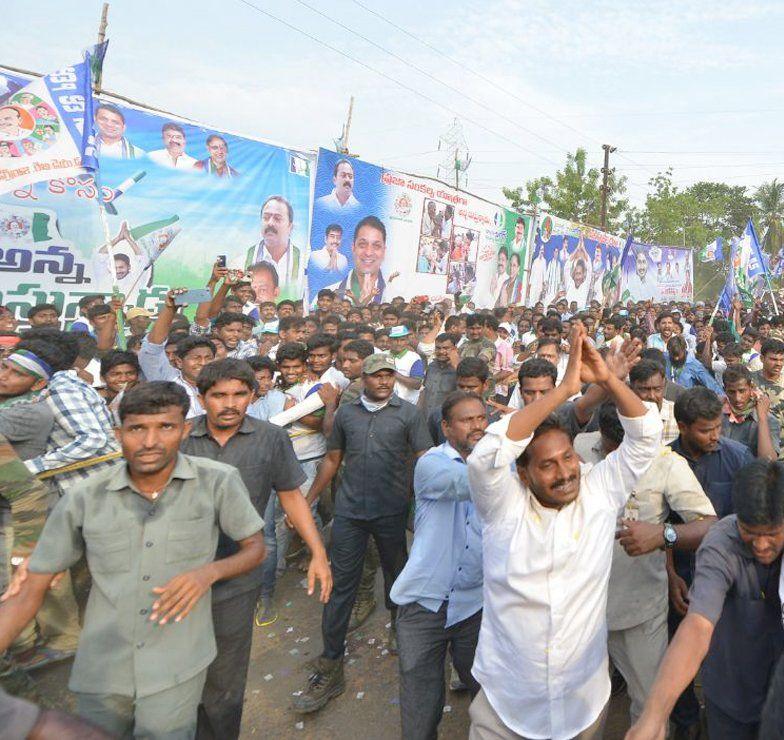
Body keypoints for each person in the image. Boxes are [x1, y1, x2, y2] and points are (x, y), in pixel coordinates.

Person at [0, 381, 266, 738]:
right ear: (117, 433)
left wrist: (210, 572)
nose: (151, 441)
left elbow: (255, 547)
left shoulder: (217, 482)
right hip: (102, 670)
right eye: (137, 428)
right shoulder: (84, 497)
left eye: (166, 427)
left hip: (177, 665)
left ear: (185, 430)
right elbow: (31, 587)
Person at [466, 323, 662, 739]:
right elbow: (485, 457)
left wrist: (609, 381)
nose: (565, 473)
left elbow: (646, 438)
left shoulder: (598, 490)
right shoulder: (503, 507)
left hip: (582, 703)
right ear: (522, 473)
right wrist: (563, 390)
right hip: (507, 704)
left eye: (568, 458)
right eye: (548, 465)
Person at [180, 360, 331, 739]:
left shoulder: (271, 437)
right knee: (178, 671)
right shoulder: (180, 437)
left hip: (238, 573)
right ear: (202, 398)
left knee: (225, 678)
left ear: (252, 395)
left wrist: (318, 554)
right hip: (178, 570)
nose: (229, 404)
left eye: (239, 394)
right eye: (219, 395)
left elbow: (290, 496)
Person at [293, 354, 433, 713]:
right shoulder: (347, 414)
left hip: (391, 510)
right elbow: (332, 459)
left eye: (389, 375)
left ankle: (397, 627)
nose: (385, 381)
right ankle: (331, 661)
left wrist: (427, 503)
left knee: (396, 574)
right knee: (341, 585)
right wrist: (308, 500)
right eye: (377, 376)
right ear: (365, 380)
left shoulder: (408, 414)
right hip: (351, 512)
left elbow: (425, 457)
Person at [573, 401, 716, 725]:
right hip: (576, 609)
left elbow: (711, 524)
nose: (614, 466)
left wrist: (663, 535)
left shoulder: (666, 463)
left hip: (636, 608)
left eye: (624, 457)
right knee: (576, 708)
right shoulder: (580, 447)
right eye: (609, 452)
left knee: (650, 704)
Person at [628, 460, 784, 740]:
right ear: (737, 518)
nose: (761, 545)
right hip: (732, 698)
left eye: (772, 534)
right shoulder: (720, 544)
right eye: (750, 532)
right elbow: (698, 626)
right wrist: (654, 715)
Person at [391, 391, 486, 739]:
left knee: (488, 694)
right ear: (446, 428)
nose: (476, 426)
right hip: (424, 603)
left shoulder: (499, 466)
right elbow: (472, 484)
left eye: (480, 418)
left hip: (475, 603)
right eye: (466, 420)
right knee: (420, 705)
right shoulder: (431, 464)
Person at [139, 289, 217, 417]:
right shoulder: (168, 381)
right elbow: (152, 348)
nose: (203, 363)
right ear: (180, 362)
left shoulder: (222, 386)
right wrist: (171, 308)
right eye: (196, 358)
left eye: (208, 358)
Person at [327, 216, 394, 305]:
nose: (369, 253)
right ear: (353, 248)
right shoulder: (330, 296)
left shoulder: (394, 296)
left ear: (384, 251)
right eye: (362, 245)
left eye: (376, 246)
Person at [245, 196, 302, 297]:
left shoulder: (303, 262)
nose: (270, 223)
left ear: (290, 227)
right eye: (266, 218)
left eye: (277, 218)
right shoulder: (242, 261)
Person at [721, 364, 780, 460]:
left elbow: (768, 461)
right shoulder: (720, 414)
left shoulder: (768, 419)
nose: (737, 398)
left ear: (751, 387)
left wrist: (762, 419)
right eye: (731, 392)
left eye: (742, 391)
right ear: (725, 390)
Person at [420, 332, 459, 417]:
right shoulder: (431, 366)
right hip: (426, 419)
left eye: (446, 348)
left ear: (454, 349)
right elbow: (424, 392)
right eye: (438, 348)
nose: (441, 351)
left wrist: (456, 367)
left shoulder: (460, 369)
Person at [387, 325, 425, 404]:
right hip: (385, 403)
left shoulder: (414, 358)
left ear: (407, 340)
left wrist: (394, 373)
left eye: (402, 340)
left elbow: (417, 384)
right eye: (395, 340)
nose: (398, 343)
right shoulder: (381, 356)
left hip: (407, 404)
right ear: (389, 340)